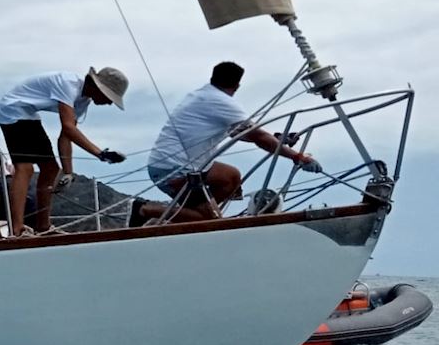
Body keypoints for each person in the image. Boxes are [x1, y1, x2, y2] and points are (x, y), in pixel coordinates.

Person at [129, 62, 321, 226]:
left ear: (213, 78)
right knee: (207, 219)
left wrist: (278, 141)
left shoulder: (203, 95)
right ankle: (145, 210)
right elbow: (258, 137)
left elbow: (241, 134)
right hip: (174, 170)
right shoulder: (222, 102)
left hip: (180, 165)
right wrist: (297, 156)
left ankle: (191, 213)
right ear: (237, 85)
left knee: (231, 177)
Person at [0, 67, 129, 236]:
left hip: (28, 114)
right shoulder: (69, 85)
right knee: (25, 167)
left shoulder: (83, 102)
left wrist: (68, 172)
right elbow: (68, 127)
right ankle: (17, 229)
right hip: (12, 110)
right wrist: (100, 153)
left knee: (51, 169)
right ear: (97, 87)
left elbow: (66, 136)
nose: (110, 103)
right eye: (109, 97)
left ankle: (43, 227)